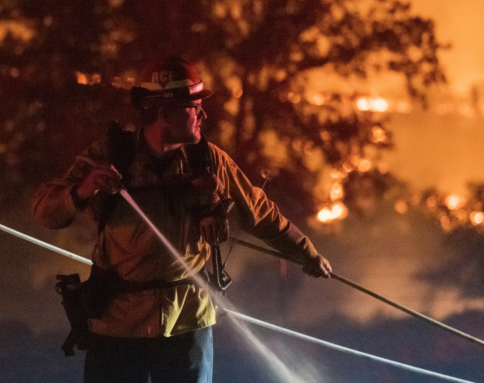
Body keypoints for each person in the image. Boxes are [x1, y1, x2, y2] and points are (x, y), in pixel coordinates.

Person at [31, 58, 332, 383]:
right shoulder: (112, 155)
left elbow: (261, 215)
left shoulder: (209, 160)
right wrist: (83, 188)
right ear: (165, 112)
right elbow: (45, 211)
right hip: (118, 324)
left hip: (188, 324)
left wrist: (307, 254)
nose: (203, 115)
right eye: (194, 107)